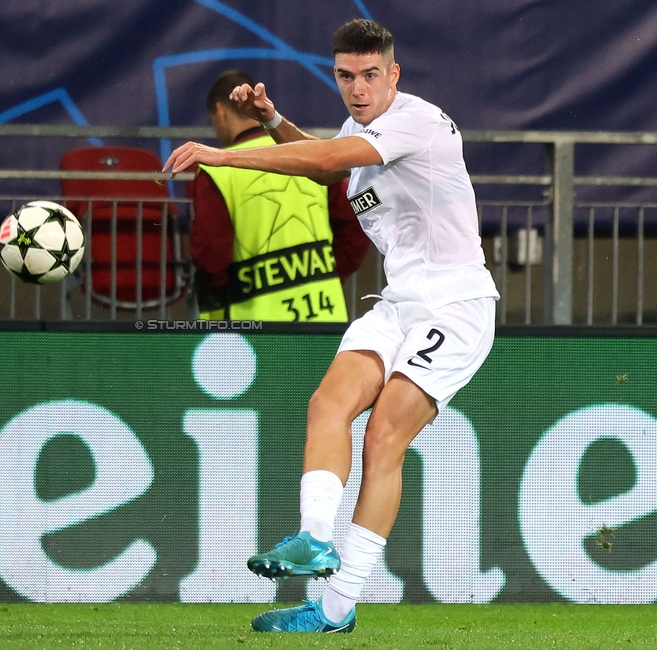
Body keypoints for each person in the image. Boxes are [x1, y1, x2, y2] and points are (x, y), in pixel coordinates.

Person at [165, 19, 499, 633]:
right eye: (346, 76)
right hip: (400, 303)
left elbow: (324, 157)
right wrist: (271, 119)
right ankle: (316, 540)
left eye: (371, 75)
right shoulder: (357, 129)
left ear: (393, 73)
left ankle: (337, 607)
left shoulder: (416, 121)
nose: (358, 88)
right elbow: (326, 169)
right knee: (328, 403)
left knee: (383, 436)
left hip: (456, 307)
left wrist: (224, 151)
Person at [191, 69, 369, 321]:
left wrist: (216, 311)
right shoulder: (310, 155)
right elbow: (354, 226)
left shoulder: (218, 170)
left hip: (254, 329)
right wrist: (326, 275)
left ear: (220, 111)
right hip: (325, 317)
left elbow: (211, 254)